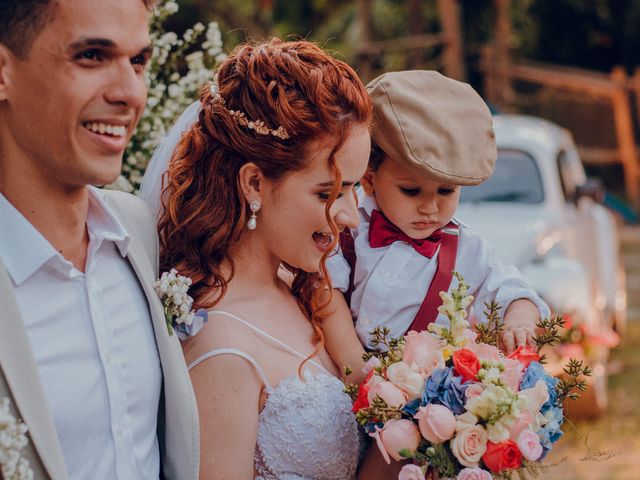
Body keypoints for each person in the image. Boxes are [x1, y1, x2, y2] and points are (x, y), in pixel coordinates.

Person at [140, 38, 394, 479]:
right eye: (328, 192)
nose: (352, 216)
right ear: (254, 183)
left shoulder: (301, 290)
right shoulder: (218, 349)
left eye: (356, 188)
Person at [0, 1, 198, 478]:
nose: (131, 93)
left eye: (139, 61)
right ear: (4, 70)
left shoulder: (137, 232)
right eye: (91, 55)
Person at [323, 70, 550, 383]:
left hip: (423, 405)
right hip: (342, 377)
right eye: (411, 191)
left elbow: (512, 290)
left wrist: (519, 317)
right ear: (370, 179)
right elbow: (325, 293)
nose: (430, 207)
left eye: (446, 191)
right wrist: (358, 369)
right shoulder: (348, 228)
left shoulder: (469, 249)